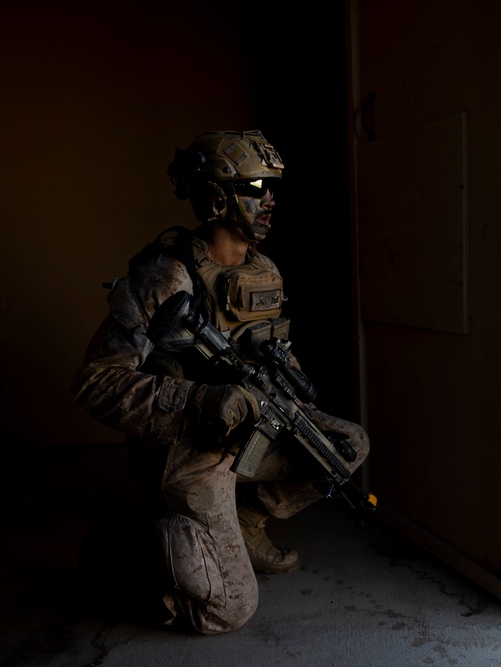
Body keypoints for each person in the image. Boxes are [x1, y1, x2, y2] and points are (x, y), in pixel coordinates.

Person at [71, 130, 370, 634]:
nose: (269, 199)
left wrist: (295, 392)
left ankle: (247, 525)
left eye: (272, 186)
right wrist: (200, 400)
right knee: (225, 611)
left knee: (345, 446)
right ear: (216, 196)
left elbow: (273, 347)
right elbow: (95, 383)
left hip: (252, 428)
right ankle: (125, 546)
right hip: (185, 447)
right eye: (255, 185)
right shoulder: (167, 275)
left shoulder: (262, 269)